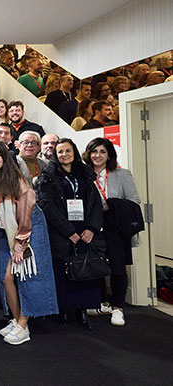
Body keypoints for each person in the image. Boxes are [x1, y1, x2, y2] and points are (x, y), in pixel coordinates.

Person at [0, 141, 58, 345]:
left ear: (5, 158)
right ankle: (16, 319)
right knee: (6, 279)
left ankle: (24, 324)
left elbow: (26, 211)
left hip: (29, 227)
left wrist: (21, 243)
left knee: (26, 275)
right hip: (5, 228)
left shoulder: (15, 179)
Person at [37, 138, 104, 330]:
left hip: (85, 229)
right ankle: (64, 309)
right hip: (62, 231)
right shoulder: (49, 176)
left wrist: (91, 228)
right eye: (60, 152)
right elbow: (47, 206)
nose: (64, 154)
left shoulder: (84, 175)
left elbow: (96, 204)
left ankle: (82, 310)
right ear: (55, 155)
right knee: (63, 270)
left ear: (74, 152)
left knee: (85, 268)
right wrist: (69, 231)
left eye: (67, 151)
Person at [83, 138, 141, 327]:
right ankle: (102, 303)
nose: (97, 156)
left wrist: (112, 205)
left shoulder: (121, 174)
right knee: (94, 266)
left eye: (102, 152)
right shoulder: (84, 174)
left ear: (109, 155)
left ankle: (118, 308)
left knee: (117, 267)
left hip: (115, 226)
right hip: (92, 226)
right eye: (94, 152)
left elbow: (134, 200)